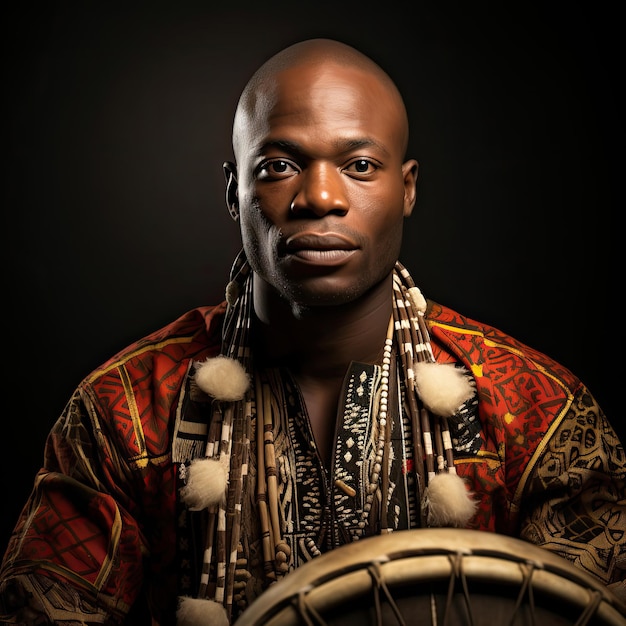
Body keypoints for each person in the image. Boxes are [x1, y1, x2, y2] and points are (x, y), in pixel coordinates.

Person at [0, 37, 624, 625]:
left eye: (358, 164)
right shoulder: (125, 410)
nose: (320, 196)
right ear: (232, 191)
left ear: (406, 189)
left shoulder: (533, 409)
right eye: (278, 165)